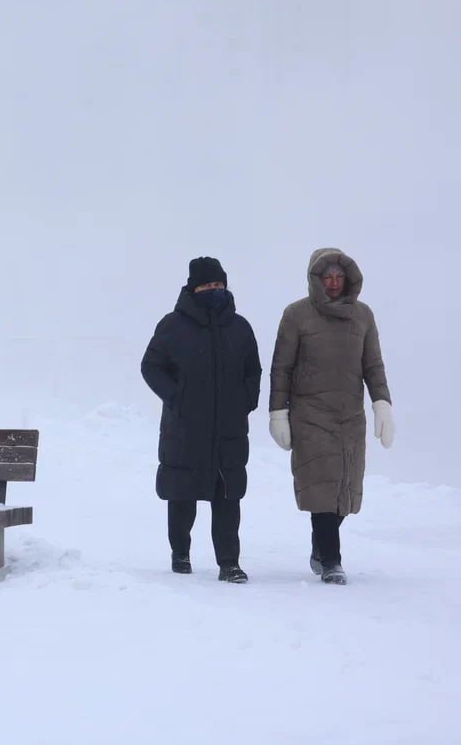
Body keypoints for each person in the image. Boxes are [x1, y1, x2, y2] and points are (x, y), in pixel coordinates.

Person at [268, 248, 394, 585]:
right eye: (328, 277)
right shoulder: (296, 315)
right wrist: (278, 412)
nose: (334, 282)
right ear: (316, 279)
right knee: (321, 485)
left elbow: (373, 365)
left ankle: (320, 547)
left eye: (339, 276)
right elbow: (282, 368)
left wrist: (382, 403)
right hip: (310, 414)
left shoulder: (362, 315)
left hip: (350, 416)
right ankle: (331, 561)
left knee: (344, 489)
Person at [142, 257, 261, 583]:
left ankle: (229, 563)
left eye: (219, 285)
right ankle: (180, 553)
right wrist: (177, 397)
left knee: (228, 497)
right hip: (185, 428)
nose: (214, 290)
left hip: (229, 430)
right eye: (208, 285)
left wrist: (246, 401)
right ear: (193, 288)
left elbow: (253, 370)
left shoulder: (239, 328)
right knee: (182, 493)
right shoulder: (172, 325)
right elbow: (150, 366)